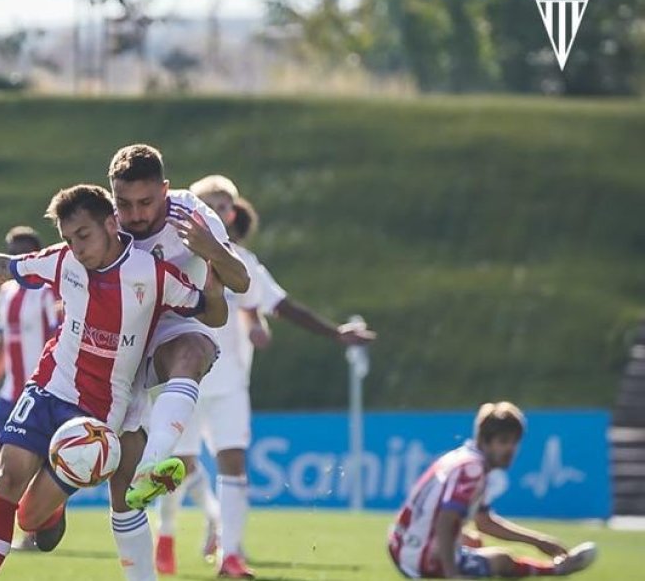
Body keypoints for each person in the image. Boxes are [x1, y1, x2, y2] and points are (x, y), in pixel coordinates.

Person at [0, 184, 228, 581]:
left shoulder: (152, 274)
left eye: (83, 235)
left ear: (111, 223)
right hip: (50, 387)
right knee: (7, 477)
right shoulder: (63, 262)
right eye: (69, 238)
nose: (77, 247)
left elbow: (209, 311)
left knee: (31, 519)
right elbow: (1, 266)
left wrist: (216, 282)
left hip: (99, 416)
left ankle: (51, 509)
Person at [155, 175, 376, 578]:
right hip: (181, 381)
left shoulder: (243, 264)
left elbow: (282, 305)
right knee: (178, 466)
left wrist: (335, 333)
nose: (222, 212)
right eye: (213, 204)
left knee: (233, 463)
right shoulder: (171, 259)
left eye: (227, 206)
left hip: (229, 383)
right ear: (193, 209)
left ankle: (231, 555)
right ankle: (171, 533)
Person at [93, 145, 249, 581]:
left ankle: (156, 460)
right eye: (124, 203)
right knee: (118, 487)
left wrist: (209, 249)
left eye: (146, 203)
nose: (135, 215)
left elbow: (240, 280)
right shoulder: (102, 222)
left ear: (165, 190)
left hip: (176, 326)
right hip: (118, 342)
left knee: (194, 351)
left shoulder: (193, 216)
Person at [388, 402, 597, 578]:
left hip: (402, 545)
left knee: (473, 540)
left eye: (515, 442)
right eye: (503, 442)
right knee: (502, 560)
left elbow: (483, 522)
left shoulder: (462, 458)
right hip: (419, 558)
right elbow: (446, 518)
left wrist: (538, 541)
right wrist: (453, 575)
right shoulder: (473, 469)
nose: (511, 450)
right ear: (485, 441)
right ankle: (556, 569)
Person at [0, 226, 60, 477]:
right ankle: (16, 503)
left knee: (38, 460)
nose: (17, 259)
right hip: (11, 390)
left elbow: (59, 337)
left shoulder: (48, 291)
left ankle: (34, 508)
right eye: (12, 254)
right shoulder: (6, 292)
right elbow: (2, 342)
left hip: (40, 391)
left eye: (23, 253)